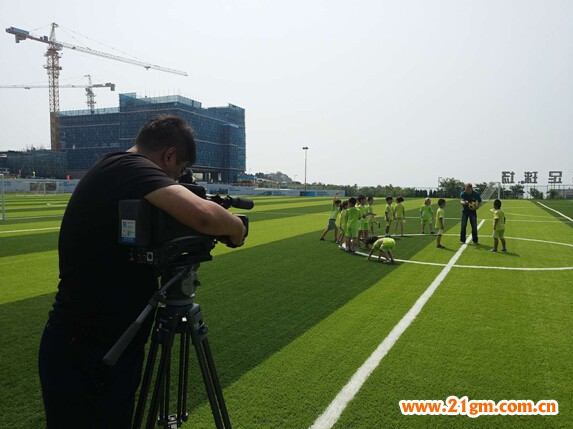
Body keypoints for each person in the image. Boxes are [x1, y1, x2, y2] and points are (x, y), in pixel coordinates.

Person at [38, 115, 247, 429]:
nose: (176, 180)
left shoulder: (116, 170)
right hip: (87, 352)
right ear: (169, 155)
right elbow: (203, 217)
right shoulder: (128, 168)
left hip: (105, 346)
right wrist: (237, 227)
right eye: (178, 172)